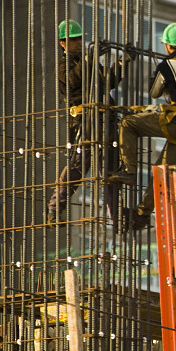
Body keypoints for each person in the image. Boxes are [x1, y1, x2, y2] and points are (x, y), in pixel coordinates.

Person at [107, 22, 176, 230]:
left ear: (168, 46)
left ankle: (128, 170)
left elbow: (154, 92)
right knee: (163, 171)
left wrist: (161, 79)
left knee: (127, 123)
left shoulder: (166, 65)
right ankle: (141, 214)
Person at [47, 19, 129, 223]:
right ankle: (55, 207)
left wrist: (121, 64)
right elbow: (73, 79)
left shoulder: (88, 62)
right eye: (73, 40)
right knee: (78, 166)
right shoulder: (64, 65)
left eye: (79, 39)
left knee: (110, 171)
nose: (78, 43)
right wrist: (90, 58)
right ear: (63, 43)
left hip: (105, 119)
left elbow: (107, 81)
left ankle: (116, 217)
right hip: (85, 122)